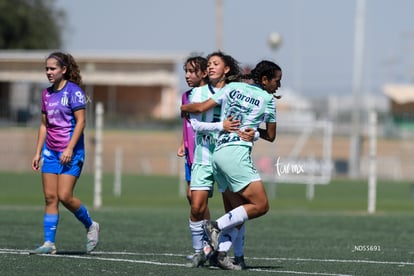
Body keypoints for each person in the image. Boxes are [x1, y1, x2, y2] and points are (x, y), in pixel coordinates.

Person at [181, 60, 282, 270]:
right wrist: (254, 132)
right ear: (264, 80)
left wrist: (183, 107)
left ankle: (221, 255)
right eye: (276, 81)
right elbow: (271, 136)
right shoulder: (267, 99)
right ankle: (215, 226)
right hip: (236, 156)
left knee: (238, 211)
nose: (278, 86)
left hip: (218, 154)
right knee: (261, 206)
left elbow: (200, 107)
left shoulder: (233, 87)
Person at [30, 52, 100, 254]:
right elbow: (44, 126)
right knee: (50, 198)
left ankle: (91, 225)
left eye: (52, 69)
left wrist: (70, 148)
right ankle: (49, 244)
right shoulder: (46, 94)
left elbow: (82, 122)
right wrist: (38, 153)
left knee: (65, 196)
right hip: (50, 152)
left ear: (64, 70)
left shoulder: (74, 91)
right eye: (46, 69)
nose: (49, 72)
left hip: (72, 152)